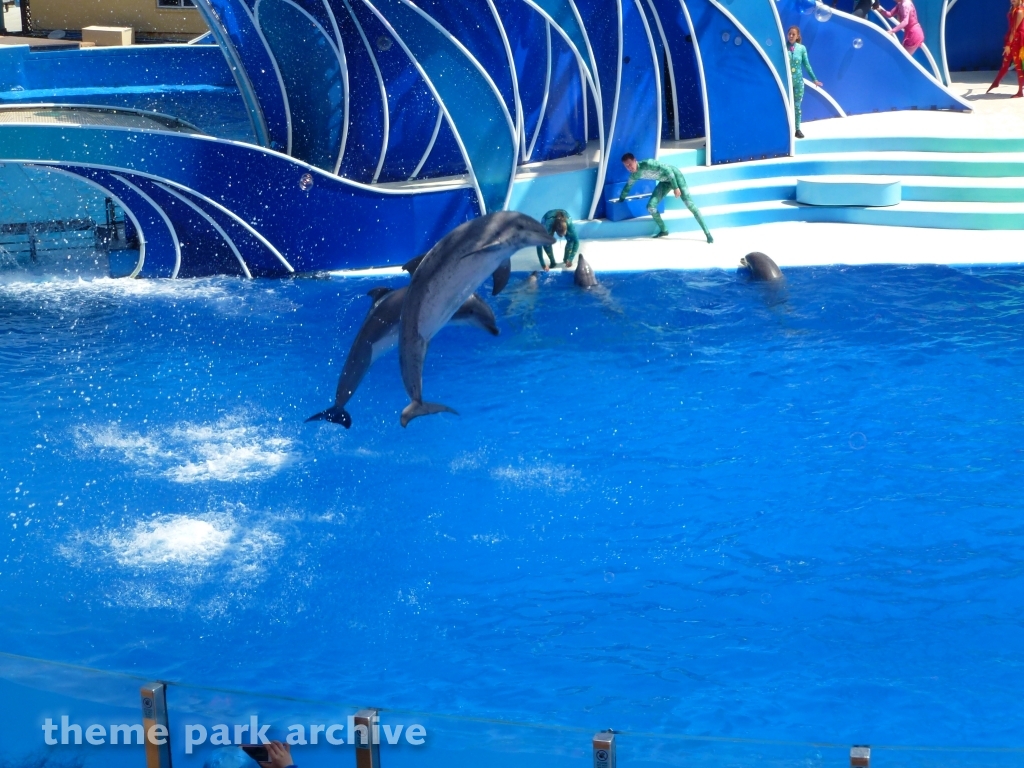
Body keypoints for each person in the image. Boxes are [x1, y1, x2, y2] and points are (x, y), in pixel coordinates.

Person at [616, 154, 712, 242]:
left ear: (635, 160)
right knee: (650, 207)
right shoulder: (634, 175)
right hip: (665, 182)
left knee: (689, 204)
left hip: (675, 176)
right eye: (626, 166)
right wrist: (621, 200)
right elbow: (627, 187)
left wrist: (676, 187)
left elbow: (668, 170)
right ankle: (664, 230)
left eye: (630, 164)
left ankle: (707, 233)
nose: (629, 167)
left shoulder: (648, 163)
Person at [787, 26, 822, 140]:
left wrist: (814, 79)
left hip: (798, 83)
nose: (791, 36)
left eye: (793, 34)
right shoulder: (783, 46)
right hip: (786, 82)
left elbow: (806, 65)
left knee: (797, 106)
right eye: (789, 34)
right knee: (785, 106)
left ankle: (797, 129)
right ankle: (786, 129)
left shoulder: (801, 48)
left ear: (797, 36)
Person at [987, 0, 1024, 96]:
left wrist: (1008, 45)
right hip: (1012, 39)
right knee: (1005, 63)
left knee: (1018, 66)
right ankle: (996, 82)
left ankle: (1020, 91)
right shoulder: (1013, 9)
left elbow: (1014, 30)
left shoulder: (1019, 11)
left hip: (1016, 41)